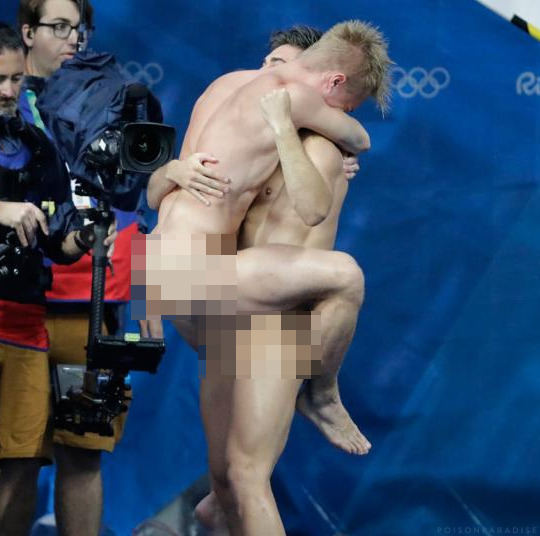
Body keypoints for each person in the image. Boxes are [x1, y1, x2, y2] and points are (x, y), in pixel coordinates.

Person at [145, 20, 391, 535]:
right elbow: (329, 184)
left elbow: (159, 191)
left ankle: (215, 509)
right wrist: (294, 131)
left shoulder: (222, 88)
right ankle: (322, 394)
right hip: (243, 300)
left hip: (176, 276)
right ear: (331, 85)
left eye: (276, 63)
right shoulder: (299, 111)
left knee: (225, 481)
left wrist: (170, 172)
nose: (267, 72)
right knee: (347, 275)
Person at [16, 1, 129, 534]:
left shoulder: (110, 98)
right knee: (13, 458)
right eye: (59, 27)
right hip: (11, 305)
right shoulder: (6, 100)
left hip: (87, 301)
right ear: (26, 30)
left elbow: (138, 188)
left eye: (80, 28)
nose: (74, 39)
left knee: (83, 452)